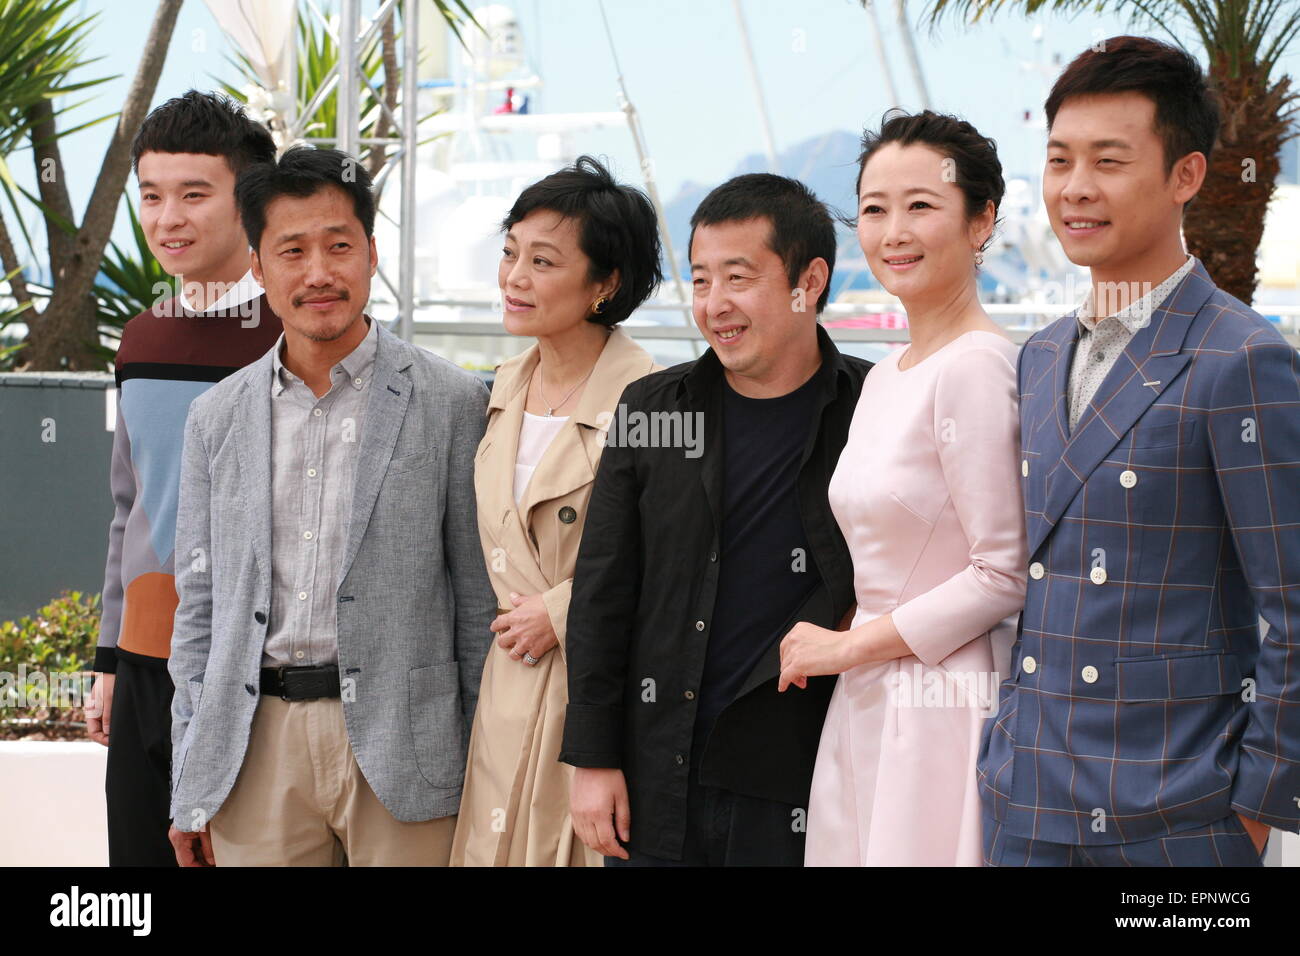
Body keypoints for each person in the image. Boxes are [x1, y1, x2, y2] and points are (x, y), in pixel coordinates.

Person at [980, 36, 1300, 866]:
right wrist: (1004, 756)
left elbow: (1293, 607)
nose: (1076, 189)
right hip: (1030, 802)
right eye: (1058, 161)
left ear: (1185, 176)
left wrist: (1256, 813)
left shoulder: (1241, 356)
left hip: (1178, 816)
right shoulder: (1041, 354)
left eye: (1109, 161)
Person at [165, 146, 496, 866]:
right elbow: (199, 609)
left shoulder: (454, 402)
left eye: (339, 246)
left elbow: (478, 607)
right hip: (255, 751)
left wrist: (483, 766)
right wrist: (190, 779)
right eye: (292, 250)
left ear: (372, 253)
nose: (319, 273)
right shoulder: (216, 418)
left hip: (409, 749)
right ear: (258, 268)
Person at [561, 173, 873, 866]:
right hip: (656, 769)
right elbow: (601, 593)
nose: (715, 304)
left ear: (809, 280)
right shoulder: (653, 410)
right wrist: (592, 759)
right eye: (701, 281)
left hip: (801, 772)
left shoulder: (874, 410)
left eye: (738, 277)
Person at [779, 111, 1028, 866]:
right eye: (875, 209)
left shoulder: (979, 366)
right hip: (872, 689)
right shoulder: (888, 372)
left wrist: (848, 645)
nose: (893, 231)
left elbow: (1003, 573)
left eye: (922, 205)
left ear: (982, 219)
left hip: (941, 703)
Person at [86, 91, 281, 867]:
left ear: (250, 201)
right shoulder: (140, 337)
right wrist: (108, 661)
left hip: (253, 666)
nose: (169, 218)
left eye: (195, 194)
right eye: (153, 195)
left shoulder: (294, 335)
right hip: (143, 659)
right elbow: (127, 508)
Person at [450, 156, 662, 867]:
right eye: (510, 253)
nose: (514, 277)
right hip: (507, 689)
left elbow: (677, 557)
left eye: (543, 261)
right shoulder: (504, 384)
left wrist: (563, 610)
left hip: (598, 695)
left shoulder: (653, 398)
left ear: (605, 284)